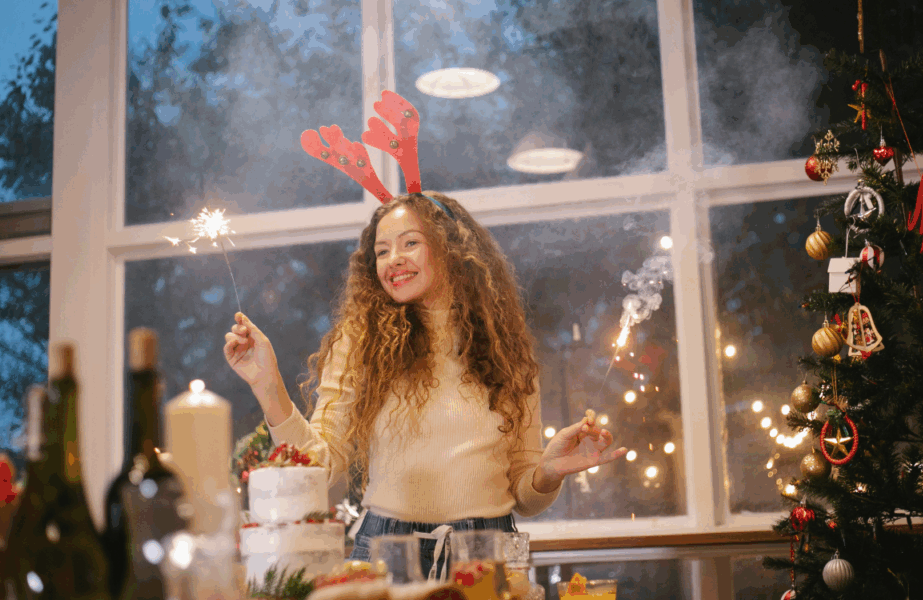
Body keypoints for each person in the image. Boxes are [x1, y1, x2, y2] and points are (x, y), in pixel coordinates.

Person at [223, 190, 629, 581]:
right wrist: (267, 384)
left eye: (410, 243)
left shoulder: (508, 352)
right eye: (381, 251)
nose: (393, 260)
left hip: (490, 552)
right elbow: (320, 465)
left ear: (452, 249)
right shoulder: (360, 341)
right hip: (388, 551)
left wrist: (549, 471)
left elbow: (525, 495)